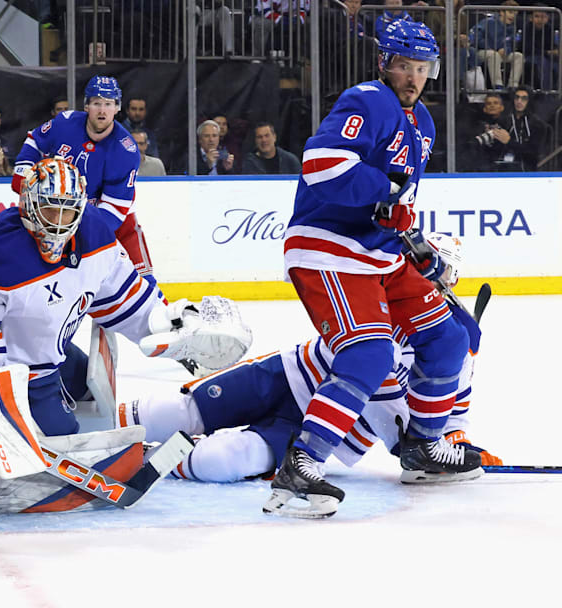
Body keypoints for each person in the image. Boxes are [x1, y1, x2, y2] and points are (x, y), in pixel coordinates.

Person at [273, 19, 480, 519]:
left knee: (449, 338)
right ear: (384, 64)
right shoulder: (368, 100)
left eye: (422, 68)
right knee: (368, 355)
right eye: (404, 66)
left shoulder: (423, 123)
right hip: (328, 247)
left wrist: (414, 243)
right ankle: (300, 467)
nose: (413, 76)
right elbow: (321, 164)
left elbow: (396, 201)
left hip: (382, 252)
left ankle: (423, 446)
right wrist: (383, 195)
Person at [122, 235, 501, 487]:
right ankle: (88, 432)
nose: (429, 282)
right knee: (172, 412)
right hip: (289, 375)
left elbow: (452, 419)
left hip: (320, 431)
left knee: (222, 462)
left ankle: (139, 460)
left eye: (438, 274)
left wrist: (456, 445)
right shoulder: (375, 298)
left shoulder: (455, 345)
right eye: (421, 270)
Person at [0, 157, 205, 436]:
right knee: (67, 440)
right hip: (17, 374)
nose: (59, 223)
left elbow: (123, 297)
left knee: (91, 392)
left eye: (68, 211)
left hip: (54, 354)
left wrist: (164, 322)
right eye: (50, 211)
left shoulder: (93, 232)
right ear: (28, 206)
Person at [13, 75, 157, 283]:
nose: (102, 110)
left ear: (117, 108)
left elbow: (113, 213)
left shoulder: (125, 150)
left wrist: (74, 232)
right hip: (53, 210)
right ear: (87, 105)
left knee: (144, 283)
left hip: (105, 219)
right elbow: (35, 140)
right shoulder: (65, 122)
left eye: (108, 104)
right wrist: (23, 177)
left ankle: (157, 304)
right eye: (97, 103)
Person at [471, 1, 524, 90]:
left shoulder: (512, 28)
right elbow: (477, 38)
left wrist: (506, 50)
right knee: (493, 55)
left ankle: (513, 86)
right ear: (501, 12)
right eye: (510, 12)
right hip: (482, 52)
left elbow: (511, 43)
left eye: (515, 14)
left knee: (519, 56)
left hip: (500, 54)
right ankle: (497, 86)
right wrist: (493, 48)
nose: (513, 16)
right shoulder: (488, 22)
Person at [501, 86, 549, 171]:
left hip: (527, 171)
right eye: (517, 97)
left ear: (529, 101)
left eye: (524, 98)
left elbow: (533, 151)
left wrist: (509, 141)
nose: (519, 101)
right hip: (503, 168)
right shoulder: (505, 121)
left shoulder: (537, 124)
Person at [518, 5, 559, 92]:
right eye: (537, 16)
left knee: (556, 65)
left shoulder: (549, 28)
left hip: (546, 57)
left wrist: (556, 50)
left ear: (547, 18)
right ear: (531, 18)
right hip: (530, 56)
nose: (540, 19)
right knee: (542, 63)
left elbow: (553, 45)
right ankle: (545, 92)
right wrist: (547, 52)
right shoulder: (527, 28)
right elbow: (527, 48)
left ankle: (557, 92)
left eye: (543, 16)